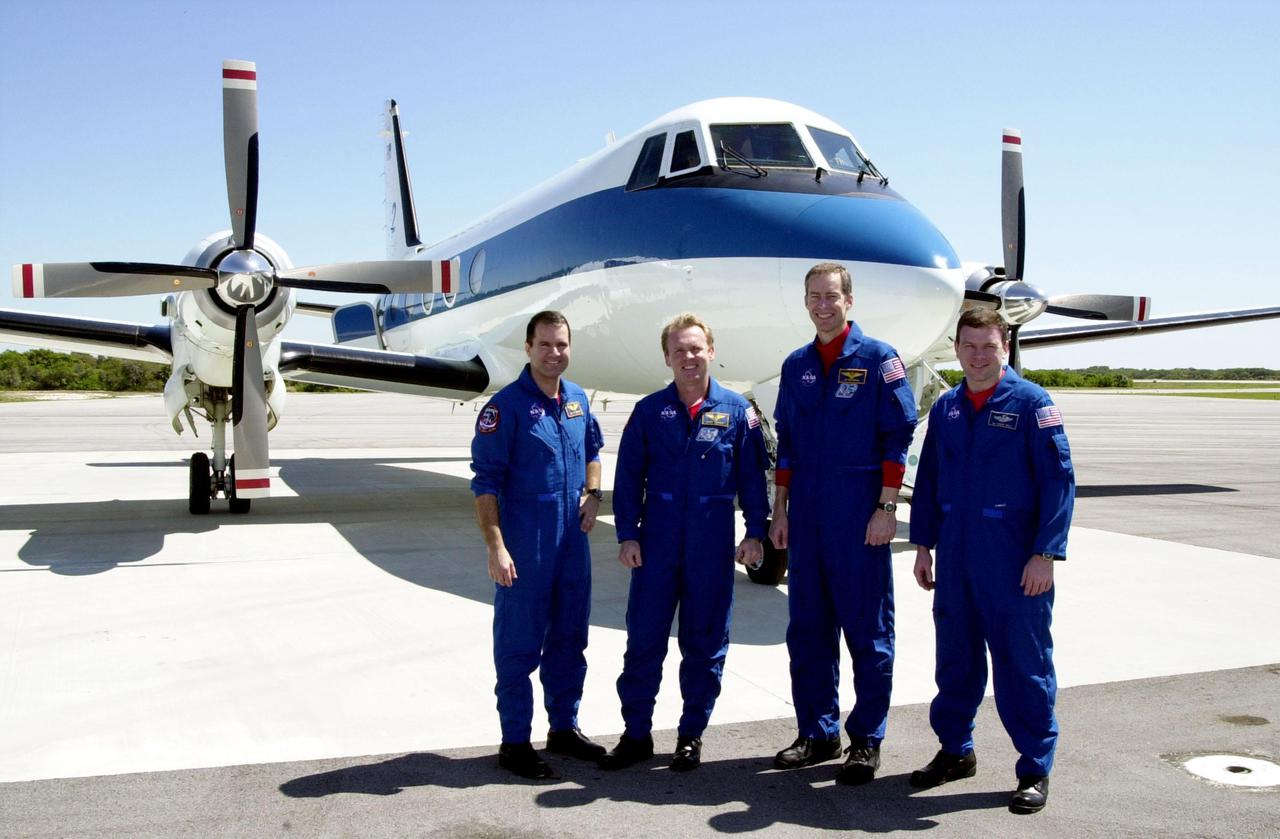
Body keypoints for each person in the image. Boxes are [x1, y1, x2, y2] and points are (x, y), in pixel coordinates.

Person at [908, 307, 1074, 815]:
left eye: (989, 346)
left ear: (1005, 348)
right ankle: (956, 751)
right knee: (955, 662)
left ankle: (1034, 768)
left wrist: (1045, 553)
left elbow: (1058, 483)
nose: (978, 356)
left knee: (1023, 667)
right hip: (956, 555)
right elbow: (930, 478)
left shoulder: (1031, 403)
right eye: (969, 346)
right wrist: (923, 545)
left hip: (1013, 558)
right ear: (956, 349)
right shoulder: (948, 408)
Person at [768, 262, 917, 785]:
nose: (822, 304)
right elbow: (786, 443)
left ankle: (867, 739)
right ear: (806, 301)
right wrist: (779, 510)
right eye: (814, 296)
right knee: (807, 629)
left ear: (848, 301)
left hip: (859, 514)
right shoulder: (796, 365)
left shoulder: (879, 360)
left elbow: (897, 438)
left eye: (832, 295)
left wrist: (886, 508)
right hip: (806, 514)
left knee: (869, 632)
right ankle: (817, 732)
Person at [600, 313, 769, 772]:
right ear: (667, 358)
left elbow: (753, 478)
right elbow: (630, 475)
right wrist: (627, 534)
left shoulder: (738, 412)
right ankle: (636, 734)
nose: (688, 358)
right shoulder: (650, 411)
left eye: (696, 348)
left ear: (710, 351)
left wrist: (755, 532)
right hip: (657, 542)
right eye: (679, 350)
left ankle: (691, 735)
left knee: (706, 644)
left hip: (712, 543)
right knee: (644, 642)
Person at [470, 310, 607, 780]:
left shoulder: (577, 400)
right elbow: (485, 484)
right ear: (528, 348)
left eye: (562, 345)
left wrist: (593, 496)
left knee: (571, 639)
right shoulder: (504, 408)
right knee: (518, 645)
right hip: (526, 543)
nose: (555, 353)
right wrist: (496, 546)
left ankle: (564, 730)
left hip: (572, 542)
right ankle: (514, 742)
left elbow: (592, 452)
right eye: (545, 345)